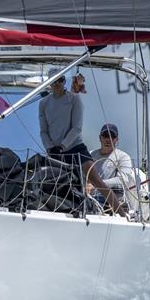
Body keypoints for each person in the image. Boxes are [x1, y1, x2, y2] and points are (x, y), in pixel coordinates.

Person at [39, 75, 126, 215]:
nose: (57, 84)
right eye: (53, 81)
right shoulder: (43, 103)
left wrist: (63, 146)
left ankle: (122, 214)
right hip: (54, 151)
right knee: (52, 183)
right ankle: (53, 212)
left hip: (74, 147)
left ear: (64, 81)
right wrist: (49, 147)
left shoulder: (74, 99)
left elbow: (77, 128)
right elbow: (43, 131)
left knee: (96, 180)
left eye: (60, 80)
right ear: (49, 82)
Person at [89, 123, 134, 192]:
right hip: (89, 197)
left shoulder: (123, 157)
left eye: (112, 136)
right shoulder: (90, 154)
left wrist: (96, 185)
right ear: (100, 138)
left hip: (111, 199)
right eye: (105, 135)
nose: (108, 139)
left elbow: (123, 180)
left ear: (116, 139)